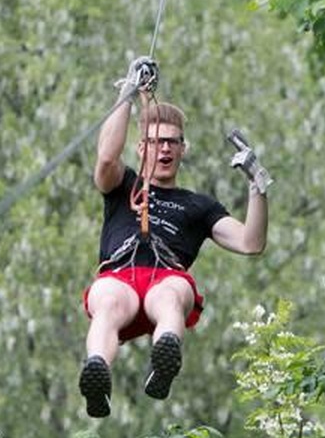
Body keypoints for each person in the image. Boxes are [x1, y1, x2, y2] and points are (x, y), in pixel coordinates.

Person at [79, 57, 271, 418]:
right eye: (156, 142)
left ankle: (164, 359)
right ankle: (97, 374)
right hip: (119, 275)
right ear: (141, 148)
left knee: (171, 294)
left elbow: (250, 242)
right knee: (105, 302)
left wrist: (257, 185)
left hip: (164, 278)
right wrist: (128, 93)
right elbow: (106, 157)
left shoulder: (199, 206)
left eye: (172, 143)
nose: (164, 150)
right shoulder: (122, 185)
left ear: (183, 149)